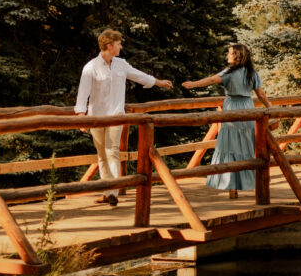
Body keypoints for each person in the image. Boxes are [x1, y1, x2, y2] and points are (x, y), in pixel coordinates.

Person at [75, 28, 173, 206]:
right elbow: (83, 92)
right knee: (102, 155)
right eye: (119, 44)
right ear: (109, 45)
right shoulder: (91, 67)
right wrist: (81, 115)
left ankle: (112, 190)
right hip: (96, 117)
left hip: (116, 115)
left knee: (112, 151)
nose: (121, 46)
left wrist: (159, 82)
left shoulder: (121, 64)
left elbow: (139, 76)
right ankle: (107, 192)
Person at [182, 43, 270, 199]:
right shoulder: (252, 73)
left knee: (230, 144)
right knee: (247, 144)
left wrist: (192, 84)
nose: (227, 56)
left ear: (237, 56)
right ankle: (249, 184)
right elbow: (261, 95)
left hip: (232, 108)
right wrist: (270, 108)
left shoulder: (229, 72)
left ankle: (231, 187)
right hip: (248, 108)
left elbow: (210, 80)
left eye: (229, 53)